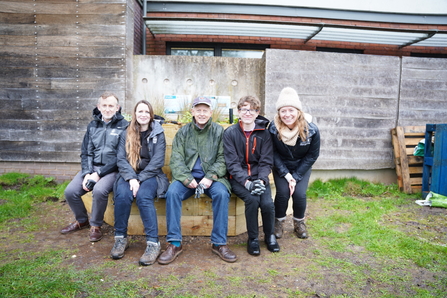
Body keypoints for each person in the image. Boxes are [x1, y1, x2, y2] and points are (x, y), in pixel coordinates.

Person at [158, 96, 238, 265]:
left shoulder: (219, 131)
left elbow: (223, 158)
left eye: (205, 110)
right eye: (198, 110)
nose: (202, 113)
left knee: (222, 194)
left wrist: (210, 177)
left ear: (211, 112)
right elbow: (176, 160)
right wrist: (187, 179)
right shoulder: (183, 132)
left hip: (212, 179)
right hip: (188, 179)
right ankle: (174, 243)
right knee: (172, 193)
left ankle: (219, 243)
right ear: (192, 112)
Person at [60, 92, 128, 242]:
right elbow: (86, 152)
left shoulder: (124, 126)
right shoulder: (92, 126)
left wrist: (98, 174)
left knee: (99, 190)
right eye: (104, 105)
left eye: (111, 106)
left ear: (117, 108)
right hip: (92, 168)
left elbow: (121, 156)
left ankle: (95, 226)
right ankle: (82, 220)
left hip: (113, 170)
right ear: (99, 106)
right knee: (70, 192)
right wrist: (86, 173)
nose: (108, 109)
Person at [110, 100, 169, 266]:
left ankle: (153, 244)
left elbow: (157, 162)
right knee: (122, 195)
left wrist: (139, 179)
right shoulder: (126, 133)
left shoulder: (158, 133)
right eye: (140, 111)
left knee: (143, 197)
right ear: (135, 114)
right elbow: (121, 159)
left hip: (151, 175)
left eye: (146, 112)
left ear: (151, 115)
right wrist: (131, 178)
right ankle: (120, 238)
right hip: (129, 174)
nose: (143, 115)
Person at [223, 95, 280, 256]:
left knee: (268, 204)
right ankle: (253, 239)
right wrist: (247, 183)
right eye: (244, 110)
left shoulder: (265, 134)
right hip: (239, 180)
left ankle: (270, 236)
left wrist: (261, 180)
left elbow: (266, 161)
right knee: (253, 200)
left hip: (259, 178)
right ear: (239, 112)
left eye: (252, 110)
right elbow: (232, 163)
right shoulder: (230, 133)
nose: (248, 113)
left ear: (257, 113)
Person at [268, 87, 320, 239]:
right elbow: (272, 153)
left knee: (299, 194)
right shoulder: (272, 128)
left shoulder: (312, 130)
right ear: (279, 113)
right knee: (283, 194)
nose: (287, 114)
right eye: (283, 111)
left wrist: (296, 176)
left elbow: (312, 155)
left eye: (291, 110)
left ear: (298, 112)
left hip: (301, 166)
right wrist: (286, 174)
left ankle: (299, 223)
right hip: (281, 166)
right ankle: (279, 222)